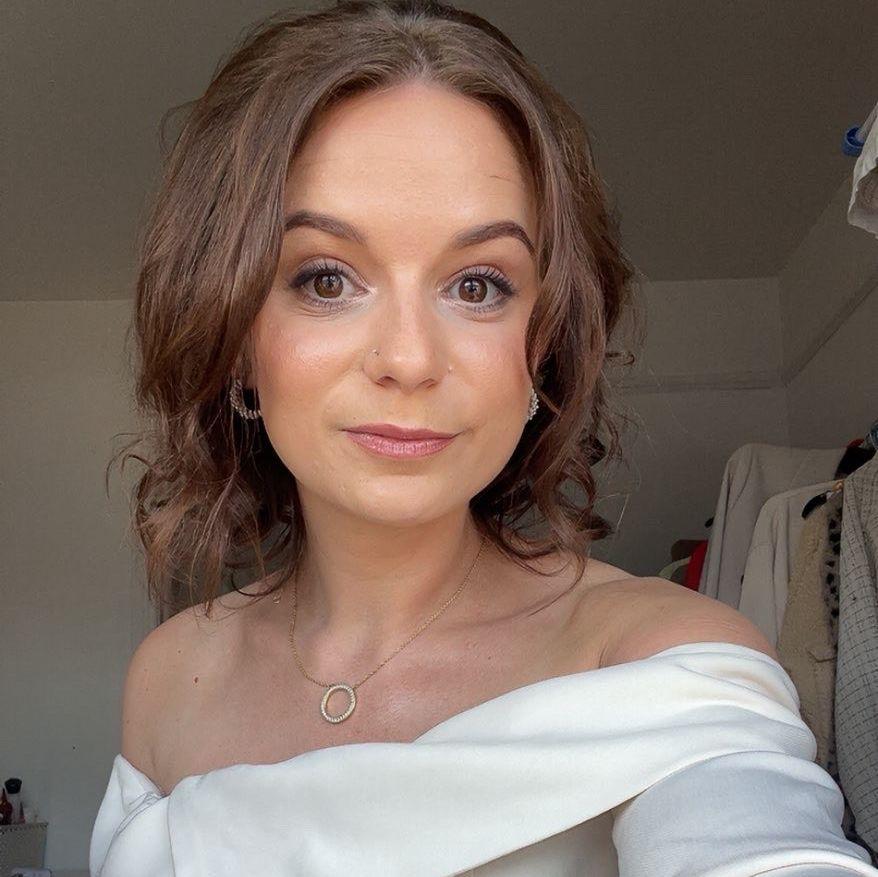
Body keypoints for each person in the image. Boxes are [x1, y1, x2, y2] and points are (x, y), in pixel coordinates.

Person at [89, 1, 878, 874]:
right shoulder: (169, 677)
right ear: (236, 337)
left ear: (543, 348)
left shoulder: (665, 659)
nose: (408, 358)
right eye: (325, 278)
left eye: (476, 286)